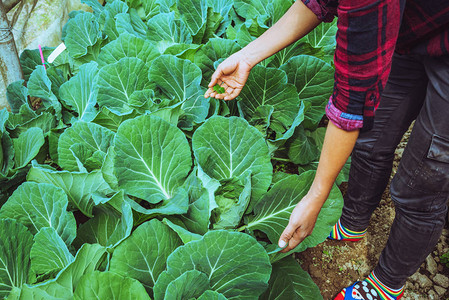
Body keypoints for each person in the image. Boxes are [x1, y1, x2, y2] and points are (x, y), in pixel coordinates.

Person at [204, 0, 449, 299]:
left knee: (422, 182)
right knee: (373, 138)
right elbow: (320, 2)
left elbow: (353, 101)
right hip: (418, 28)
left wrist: (317, 194)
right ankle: (352, 222)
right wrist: (246, 56)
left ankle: (387, 283)